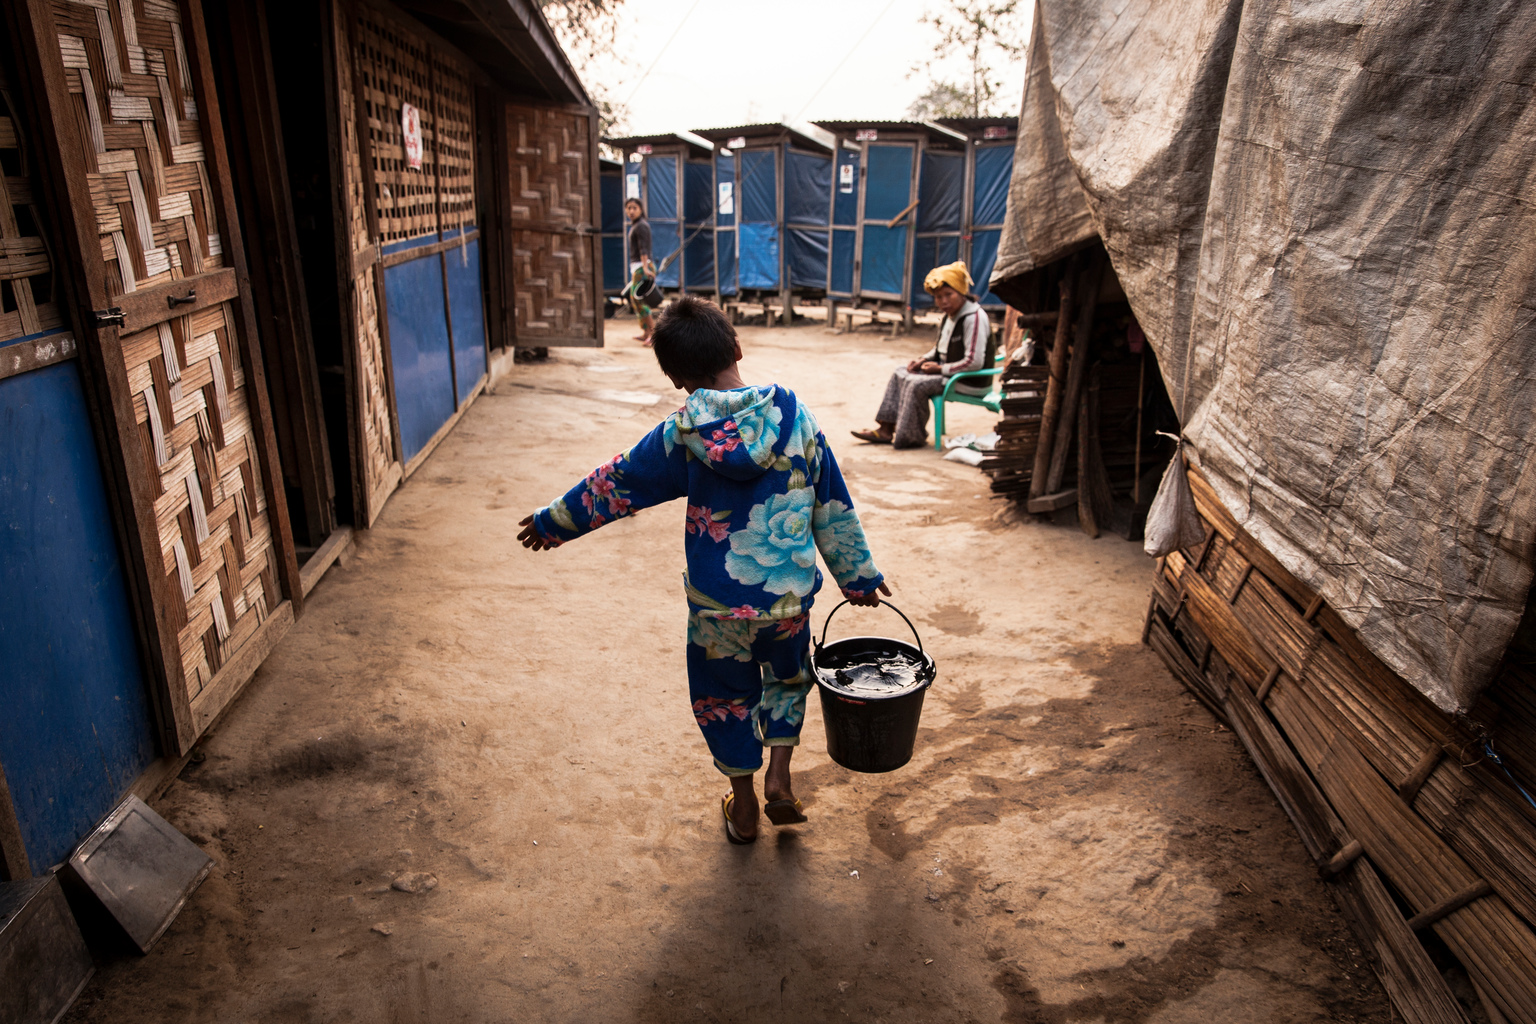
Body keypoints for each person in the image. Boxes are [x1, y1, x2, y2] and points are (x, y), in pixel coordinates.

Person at [518, 296, 890, 845]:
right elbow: (829, 498)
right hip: (785, 602)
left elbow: (619, 481)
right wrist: (857, 576)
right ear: (736, 347)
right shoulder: (792, 412)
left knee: (723, 698)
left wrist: (554, 522)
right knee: (788, 680)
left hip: (716, 607)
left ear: (673, 377)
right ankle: (780, 777)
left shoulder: (681, 432)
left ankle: (743, 808)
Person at [851, 262, 995, 449]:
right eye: (938, 297)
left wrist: (939, 368)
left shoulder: (974, 318)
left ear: (961, 292)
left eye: (948, 295)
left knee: (916, 384)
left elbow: (974, 362)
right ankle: (885, 429)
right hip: (947, 373)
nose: (943, 301)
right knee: (900, 372)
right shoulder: (950, 315)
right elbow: (939, 349)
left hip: (968, 380)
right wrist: (923, 360)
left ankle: (911, 437)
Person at [624, 198, 657, 343]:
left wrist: (644, 267)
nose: (631, 211)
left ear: (641, 210)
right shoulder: (636, 225)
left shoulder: (641, 226)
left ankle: (653, 334)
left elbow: (644, 248)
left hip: (642, 267)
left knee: (639, 300)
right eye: (629, 208)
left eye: (634, 208)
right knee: (635, 300)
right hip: (638, 267)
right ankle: (646, 332)